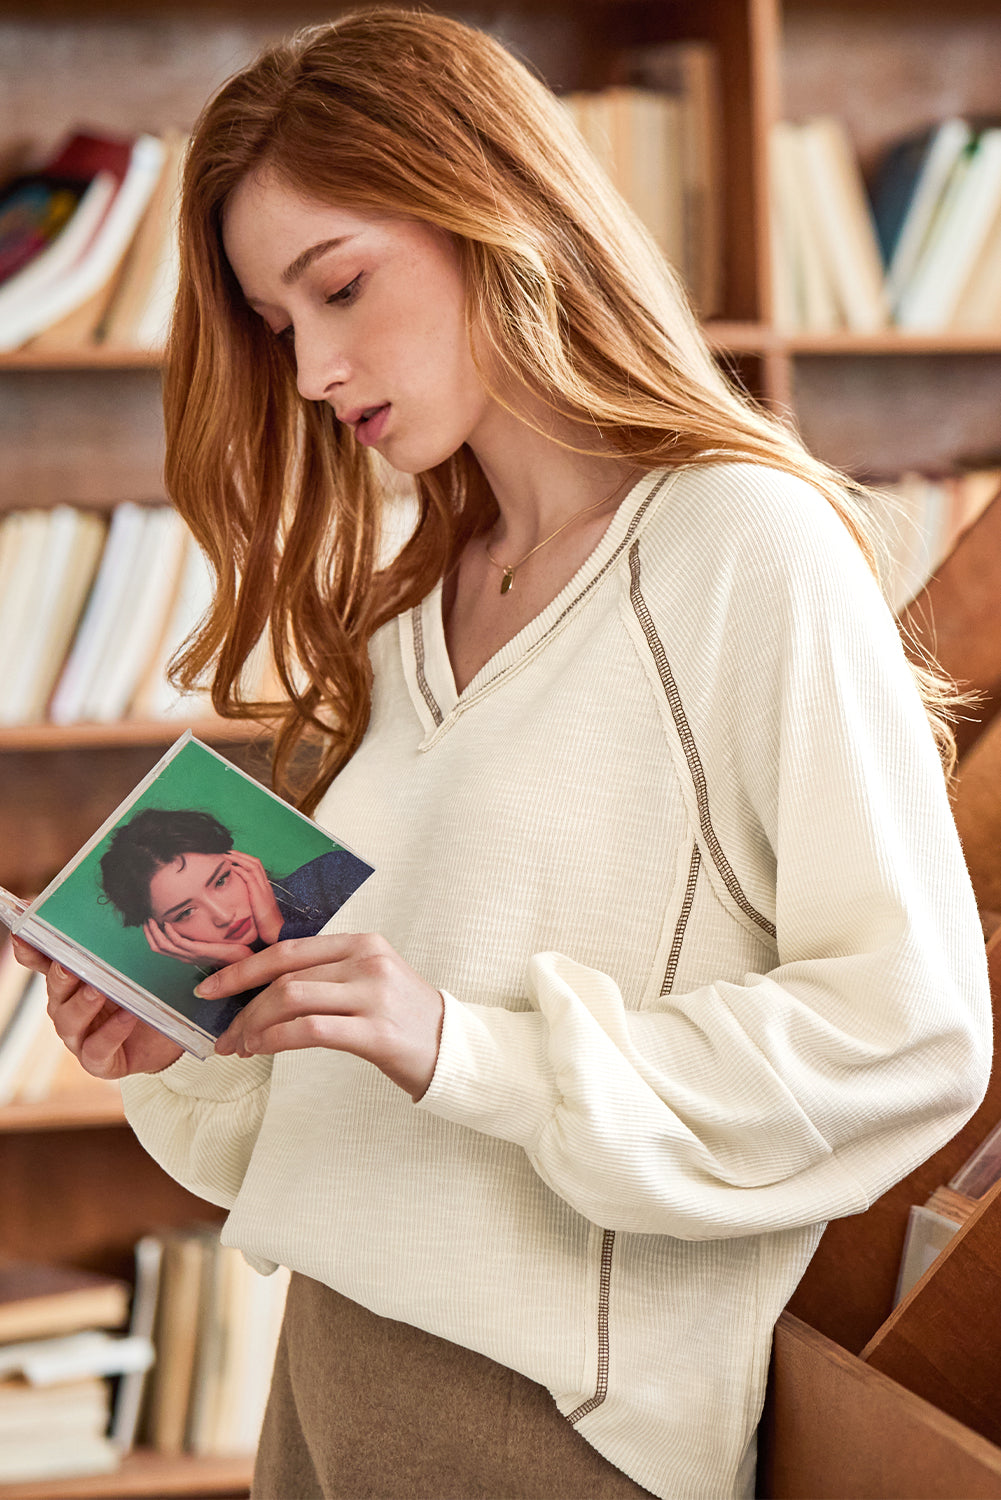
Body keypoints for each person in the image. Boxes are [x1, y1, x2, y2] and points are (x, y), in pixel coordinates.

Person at [14, 11, 992, 1498]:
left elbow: (908, 1034)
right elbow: (383, 1078)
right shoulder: (419, 595)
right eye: (281, 326)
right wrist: (187, 1049)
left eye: (341, 285)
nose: (316, 368)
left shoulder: (744, 549)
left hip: (544, 1420)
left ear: (496, 209)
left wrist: (468, 1046)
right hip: (327, 1361)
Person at [97, 806, 373, 1032]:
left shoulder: (337, 876)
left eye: (221, 880)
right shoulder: (211, 1021)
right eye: (185, 913)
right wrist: (247, 970)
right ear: (162, 934)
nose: (222, 915)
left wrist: (279, 931)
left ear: (241, 862)